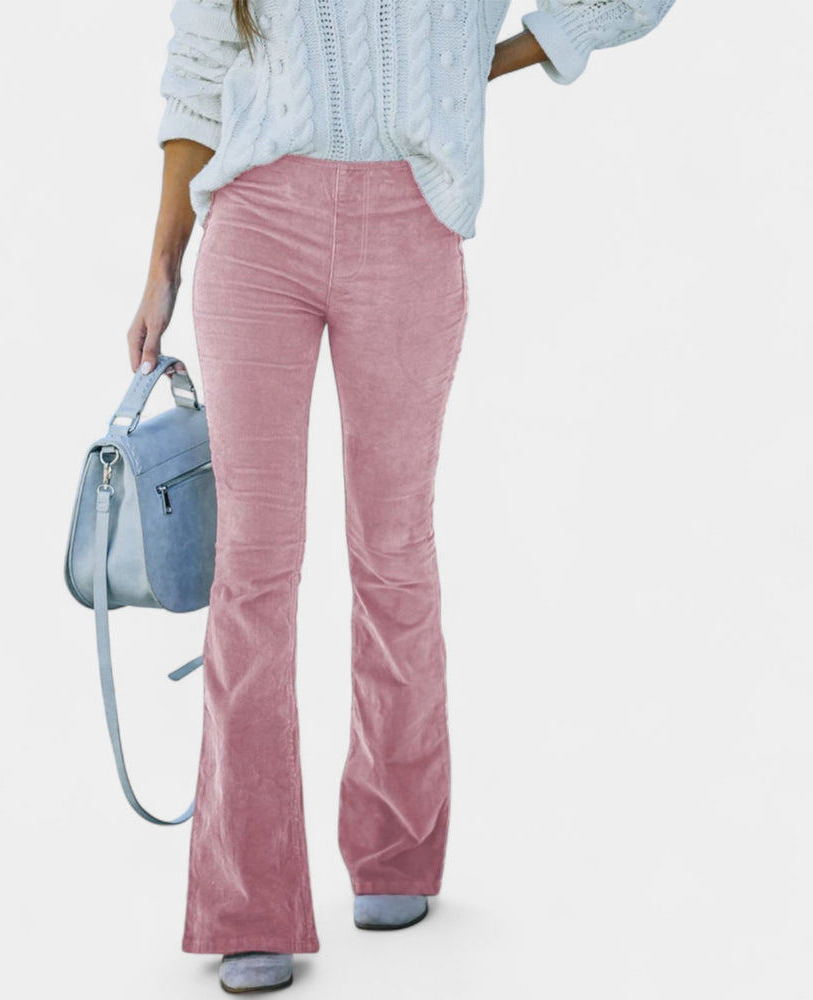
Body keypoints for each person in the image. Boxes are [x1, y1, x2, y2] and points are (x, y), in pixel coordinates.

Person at [129, 0, 677, 992]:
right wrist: (162, 261)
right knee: (253, 569)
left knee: (392, 553)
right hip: (254, 223)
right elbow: (198, 67)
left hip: (411, 220)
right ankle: (249, 901)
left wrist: (495, 56)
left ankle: (394, 847)